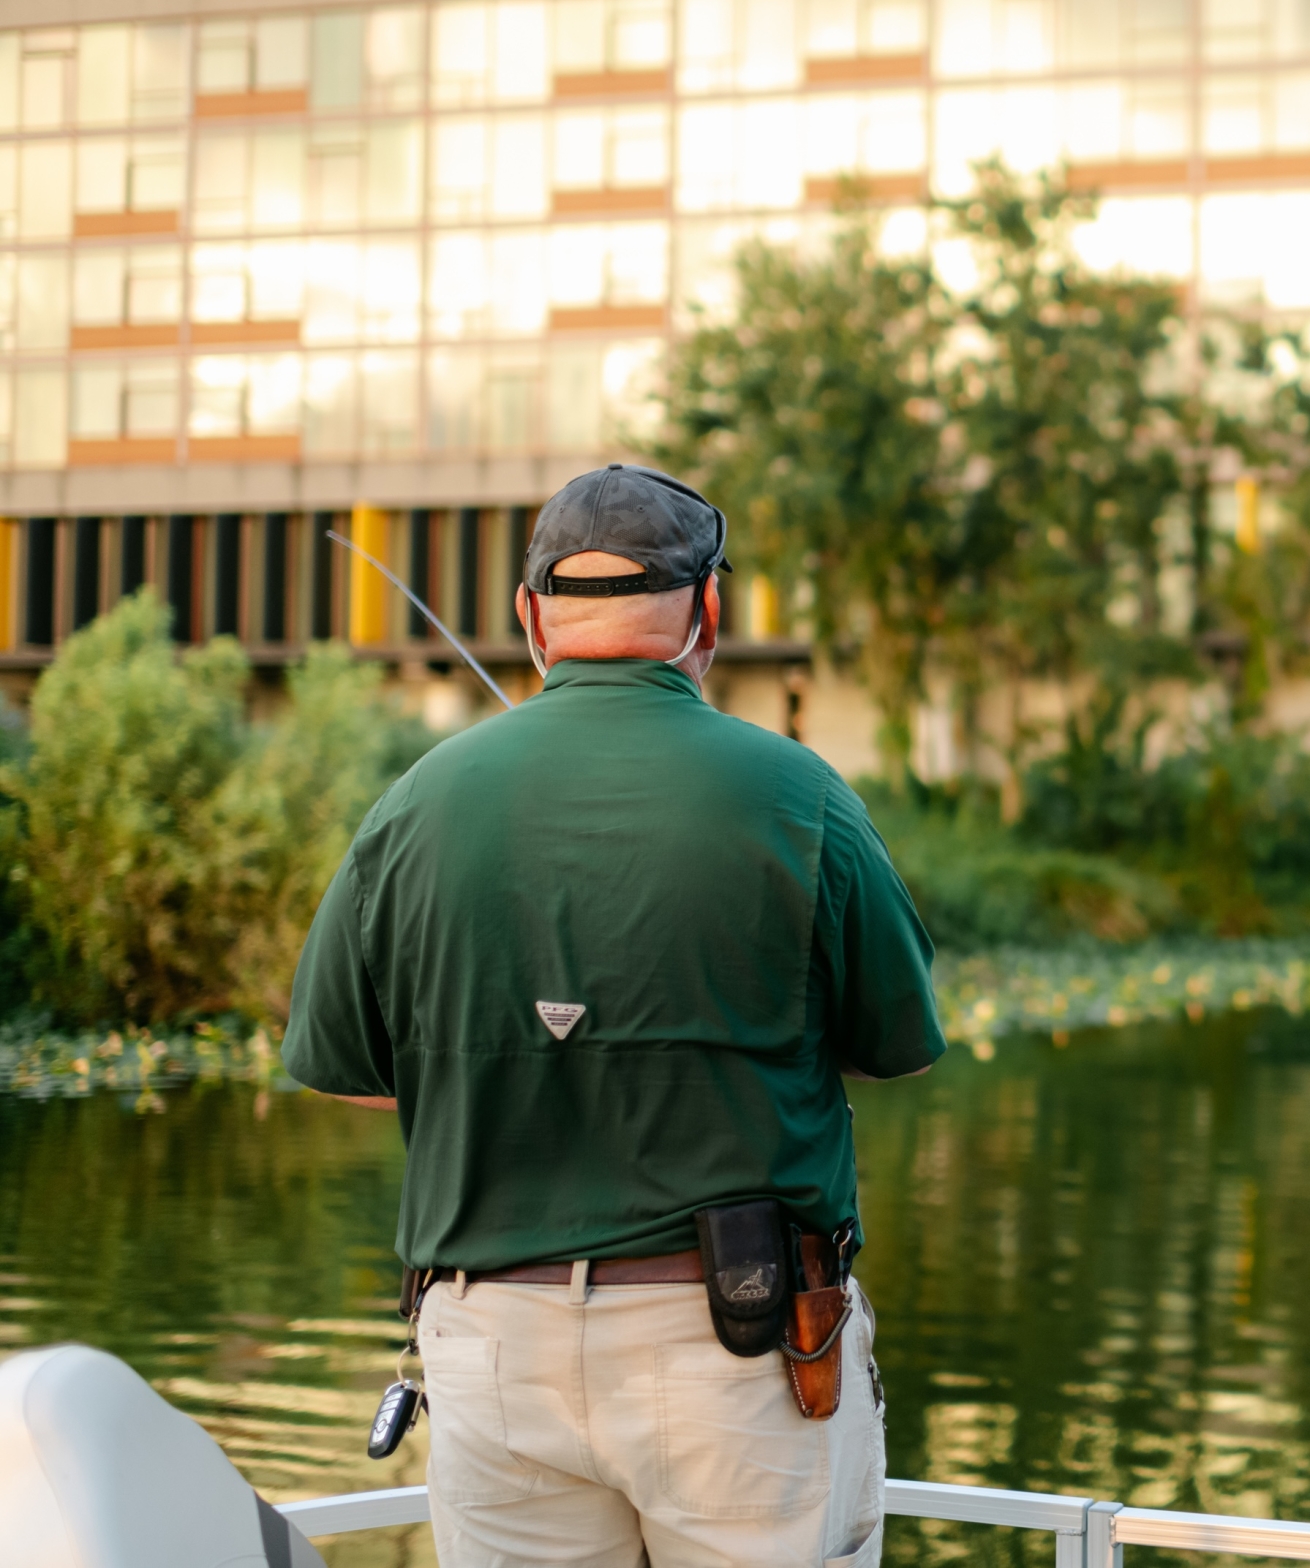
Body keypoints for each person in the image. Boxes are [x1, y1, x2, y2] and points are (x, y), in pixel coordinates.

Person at [283, 463, 944, 1568]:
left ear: (531, 615)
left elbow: (350, 1067)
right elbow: (896, 1047)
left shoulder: (411, 805)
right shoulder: (799, 793)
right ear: (709, 611)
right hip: (737, 1347)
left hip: (492, 1351)